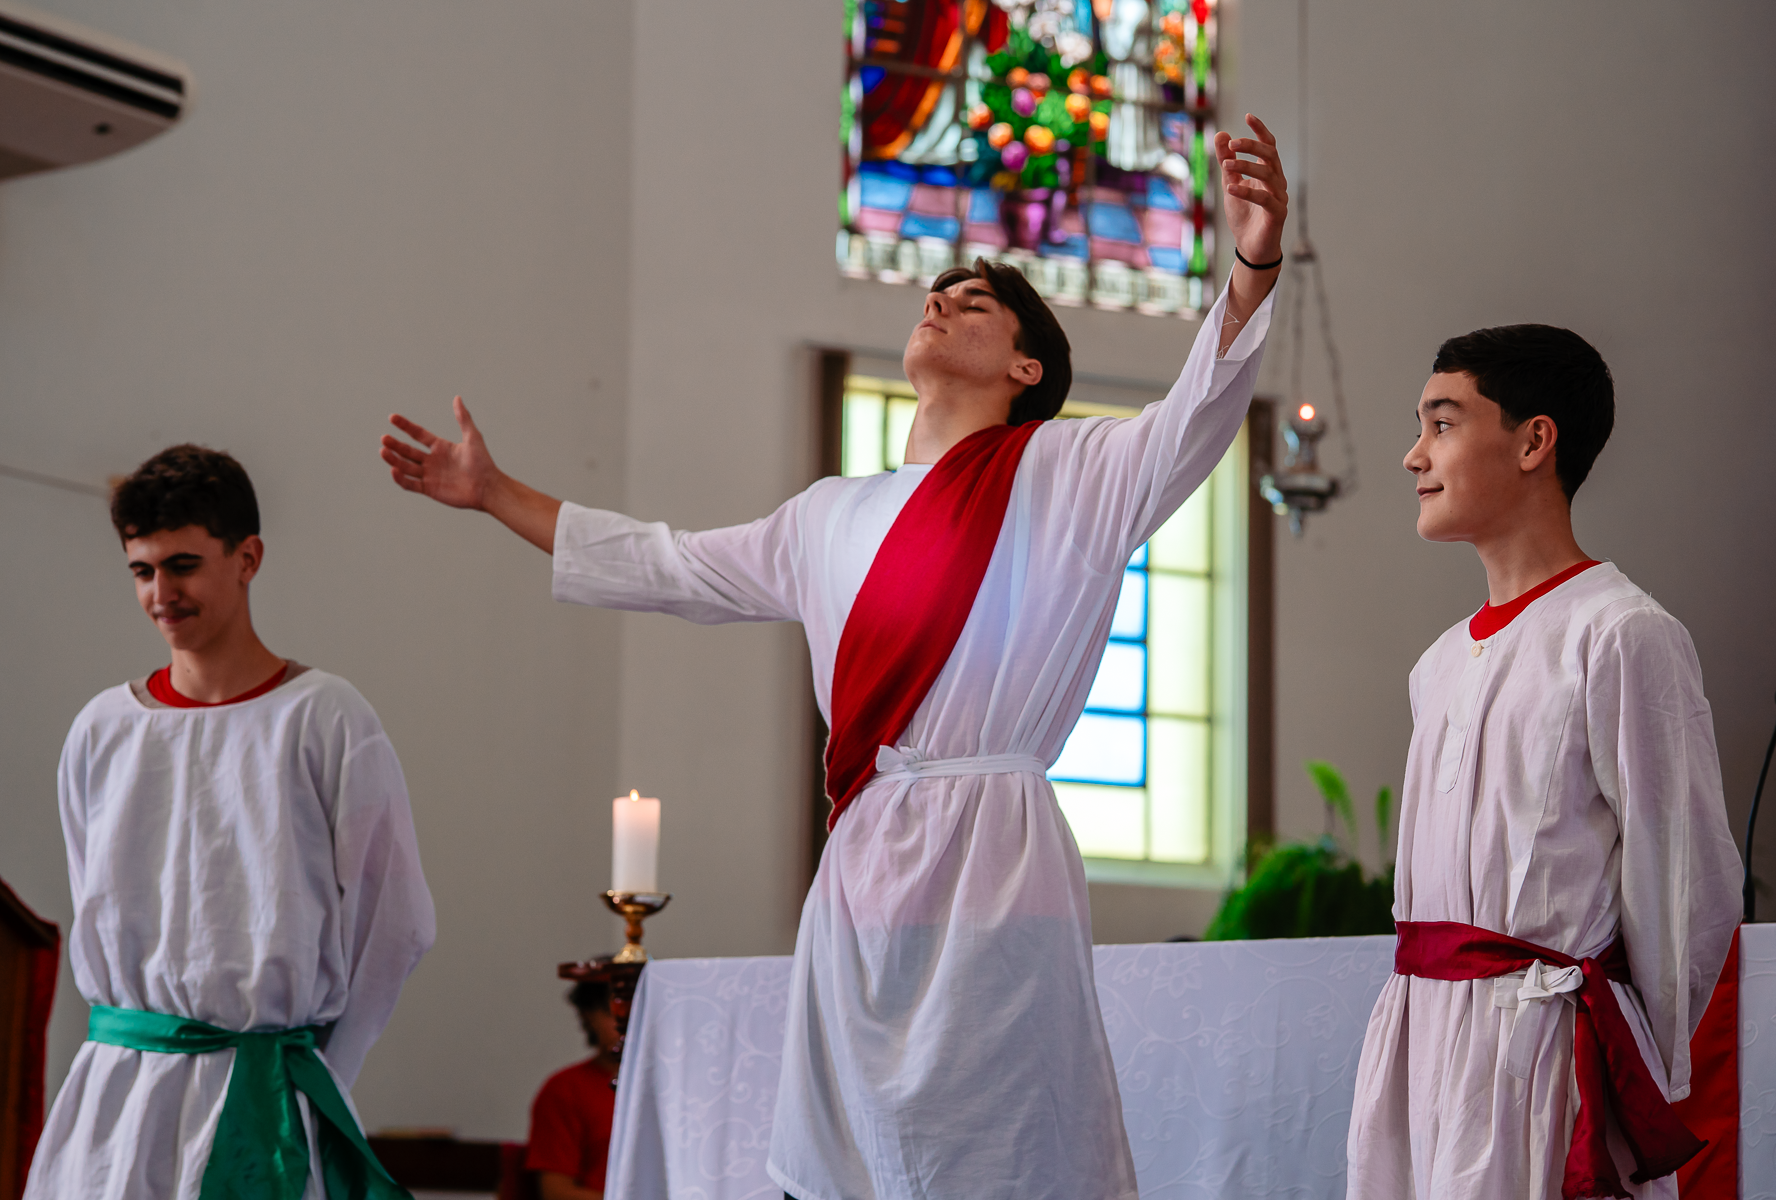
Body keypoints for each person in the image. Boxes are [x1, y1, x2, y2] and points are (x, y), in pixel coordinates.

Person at [380, 116, 1288, 1200]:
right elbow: (668, 566)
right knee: (853, 1149)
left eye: (976, 302)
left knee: (1000, 1139)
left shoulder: (1069, 469)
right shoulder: (828, 518)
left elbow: (1198, 411)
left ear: (1028, 365)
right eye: (934, 292)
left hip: (993, 849)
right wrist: (493, 493)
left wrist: (1252, 260)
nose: (941, 300)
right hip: (863, 856)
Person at [1345, 328, 1742, 1200]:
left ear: (1534, 441)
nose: (1415, 455)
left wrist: (1636, 1057)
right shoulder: (1439, 663)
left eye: (1442, 423)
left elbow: (1687, 887)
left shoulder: (1622, 634)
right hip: (1419, 1038)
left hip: (1540, 1051)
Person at [27, 445, 436, 1200]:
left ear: (247, 557)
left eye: (182, 565)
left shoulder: (324, 717)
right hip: (118, 1099)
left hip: (265, 1095)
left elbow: (396, 922)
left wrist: (318, 1071)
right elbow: (95, 890)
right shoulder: (102, 727)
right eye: (142, 571)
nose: (160, 593)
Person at [525, 979, 620, 1200]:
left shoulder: (676, 1090)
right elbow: (556, 1193)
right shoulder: (565, 1090)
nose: (628, 1023)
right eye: (612, 1012)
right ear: (588, 1016)